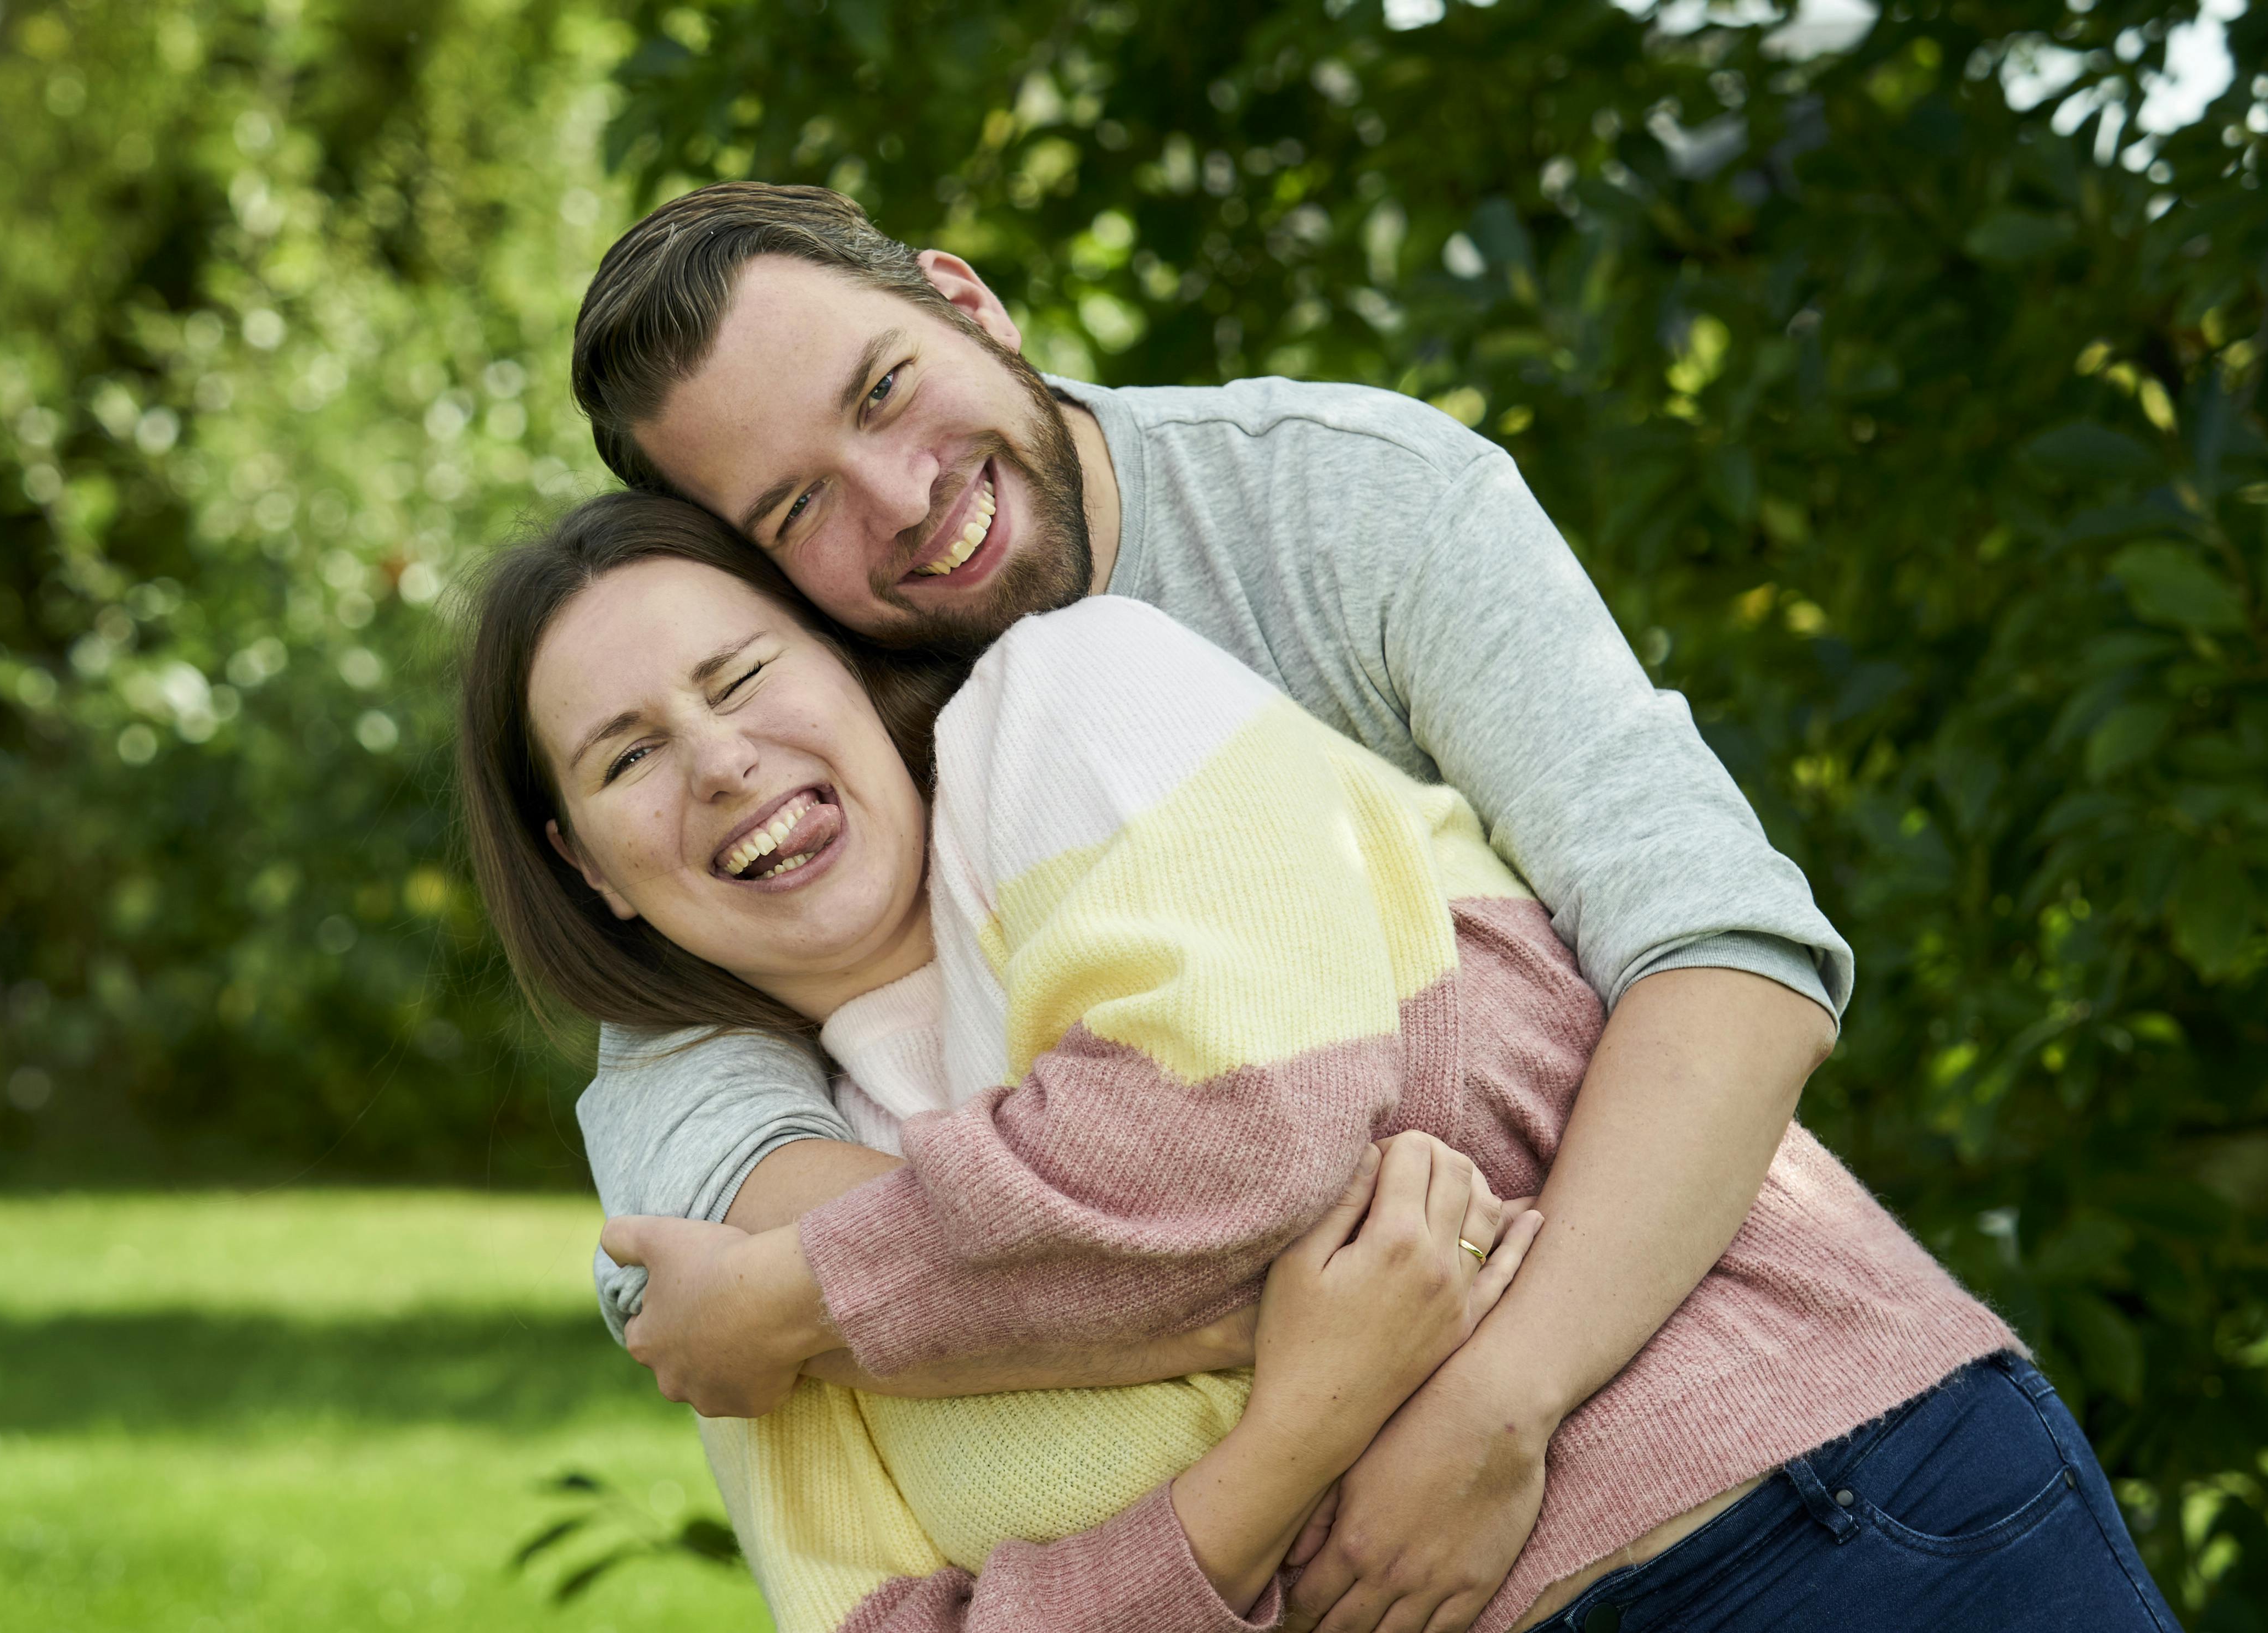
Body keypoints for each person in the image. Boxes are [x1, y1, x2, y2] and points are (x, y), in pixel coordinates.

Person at [454, 494, 2180, 1633]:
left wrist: (815, 1304)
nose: (721, 759)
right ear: (588, 863)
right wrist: (1295, 1432)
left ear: (855, 666)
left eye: (745, 672)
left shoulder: (1074, 718)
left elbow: (1248, 1140)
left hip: (1811, 1533)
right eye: (626, 756)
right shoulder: (735, 1186)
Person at [565, 179, 1846, 1628]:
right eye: (796, 508)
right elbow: (694, 1235)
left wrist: (1492, 1396)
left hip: (1796, 1489)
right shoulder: (799, 741)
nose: (902, 497)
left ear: (968, 303)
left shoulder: (1344, 503)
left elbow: (1728, 957)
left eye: (886, 389)